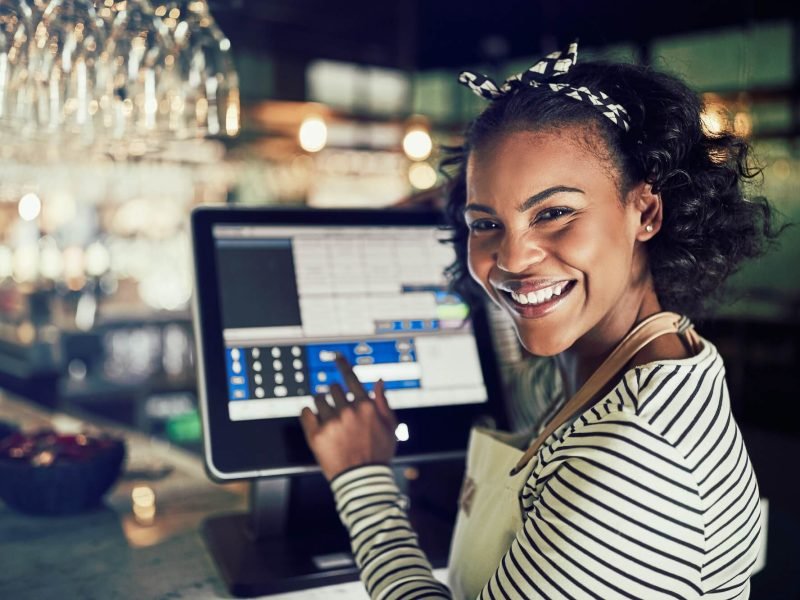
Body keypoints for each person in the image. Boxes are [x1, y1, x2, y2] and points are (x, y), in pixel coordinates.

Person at [299, 41, 786, 599]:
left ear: (646, 211)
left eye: (553, 213)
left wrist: (362, 482)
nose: (512, 258)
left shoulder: (633, 464)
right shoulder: (642, 358)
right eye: (486, 225)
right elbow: (519, 336)